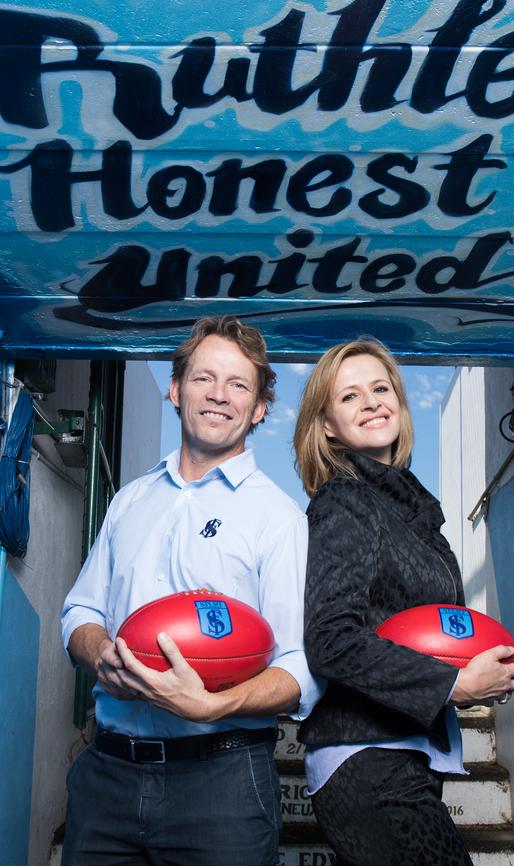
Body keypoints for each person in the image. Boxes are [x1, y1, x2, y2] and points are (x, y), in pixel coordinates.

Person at [61, 315, 321, 866]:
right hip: (106, 774)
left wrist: (214, 704)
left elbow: (300, 666)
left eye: (239, 385)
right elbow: (80, 610)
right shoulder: (127, 501)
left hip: (221, 784)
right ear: (176, 390)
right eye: (204, 378)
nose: (219, 396)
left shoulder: (278, 517)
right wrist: (100, 654)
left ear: (259, 410)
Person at [293, 339, 514, 866]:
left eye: (380, 388)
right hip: (366, 758)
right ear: (327, 424)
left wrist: (477, 675)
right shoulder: (345, 500)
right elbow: (330, 640)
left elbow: (426, 631)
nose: (372, 402)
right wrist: (452, 683)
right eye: (349, 396)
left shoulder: (410, 510)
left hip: (406, 754)